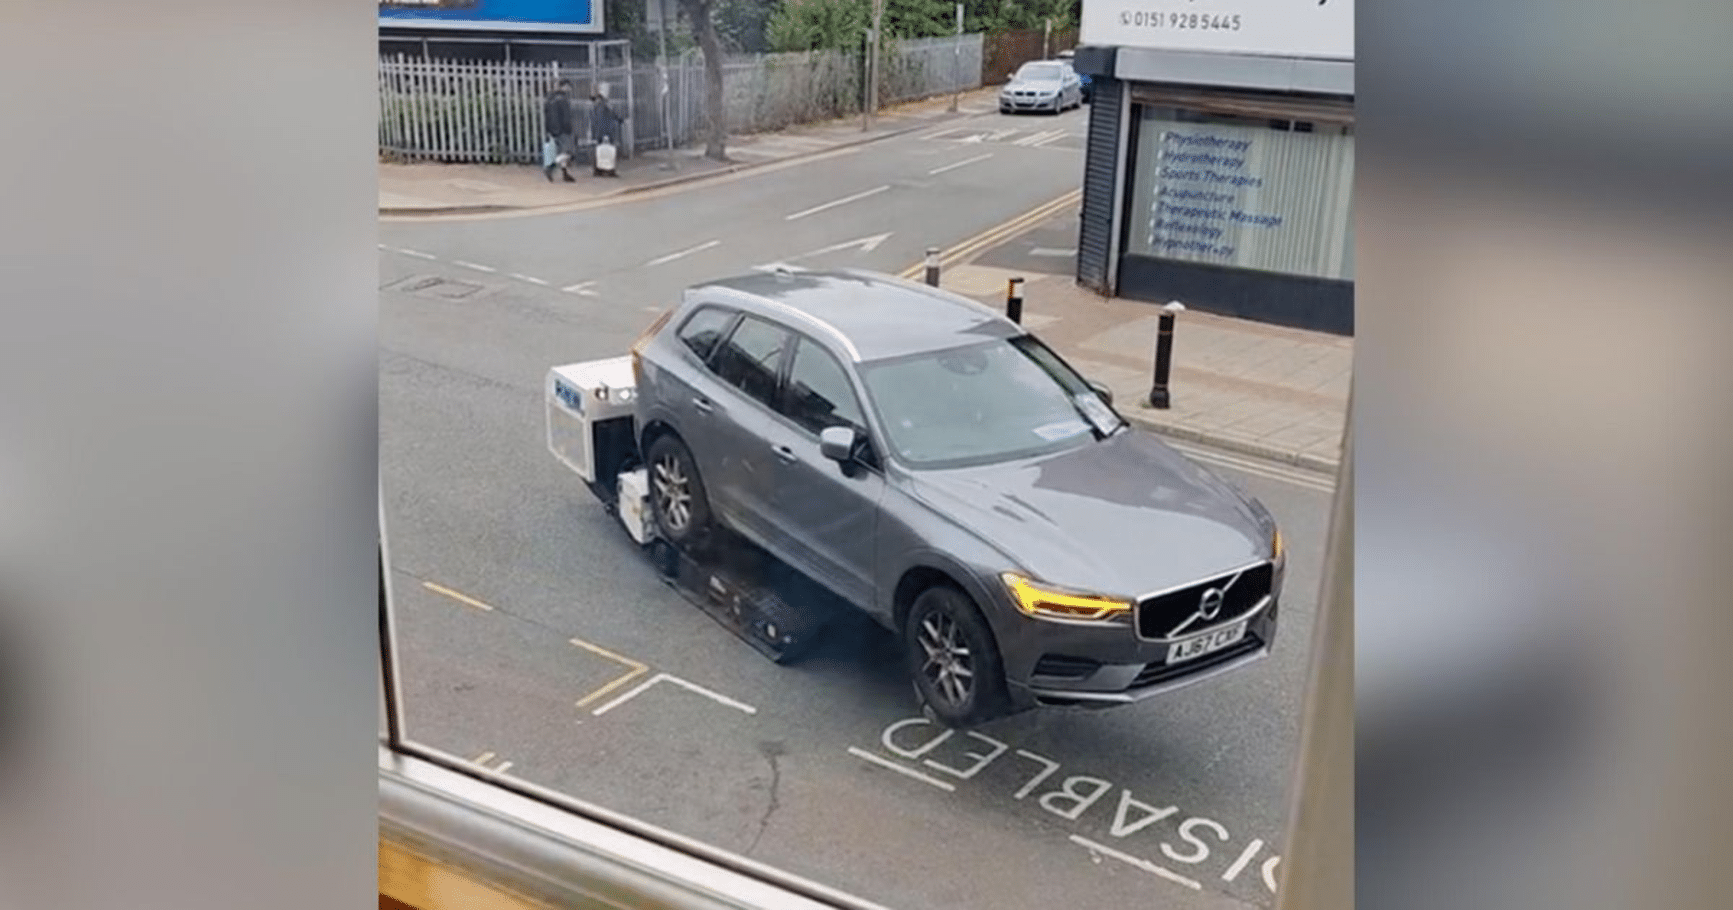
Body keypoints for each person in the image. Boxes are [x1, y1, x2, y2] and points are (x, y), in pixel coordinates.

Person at [542, 80, 575, 183]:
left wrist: (548, 129)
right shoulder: (563, 99)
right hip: (563, 129)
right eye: (568, 87)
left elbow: (546, 114)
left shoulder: (550, 99)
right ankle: (550, 168)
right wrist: (568, 128)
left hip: (552, 129)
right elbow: (566, 116)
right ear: (564, 86)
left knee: (560, 151)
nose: (569, 89)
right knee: (569, 152)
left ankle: (565, 174)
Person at [588, 90, 626, 177]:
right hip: (606, 132)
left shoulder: (593, 107)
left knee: (599, 151)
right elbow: (611, 115)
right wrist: (620, 120)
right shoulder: (604, 105)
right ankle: (609, 170)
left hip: (598, 133)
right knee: (609, 151)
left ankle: (598, 170)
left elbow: (594, 121)